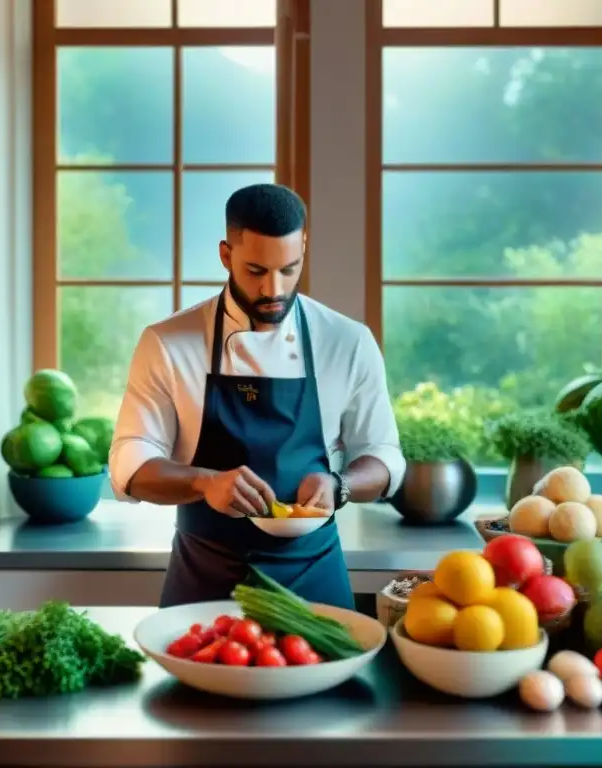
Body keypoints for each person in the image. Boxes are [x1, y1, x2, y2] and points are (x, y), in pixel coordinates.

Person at [108, 183, 405, 609]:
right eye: (256, 271)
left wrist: (340, 485)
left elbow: (385, 456)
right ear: (226, 255)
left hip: (312, 578)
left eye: (289, 268)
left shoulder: (347, 342)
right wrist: (203, 481)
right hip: (205, 580)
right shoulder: (169, 342)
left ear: (303, 246)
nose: (274, 290)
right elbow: (128, 464)